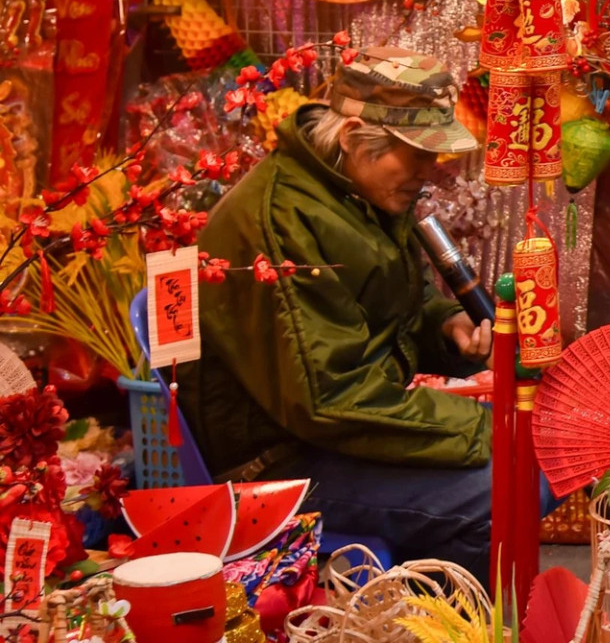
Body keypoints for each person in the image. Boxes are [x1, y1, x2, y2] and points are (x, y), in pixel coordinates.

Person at [178, 48, 498, 577]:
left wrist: (444, 325)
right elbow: (327, 399)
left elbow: (400, 302)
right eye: (415, 153)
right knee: (499, 488)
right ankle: (439, 625)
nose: (429, 170)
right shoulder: (282, 221)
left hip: (330, 429)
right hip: (275, 459)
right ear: (352, 138)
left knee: (523, 464)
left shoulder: (353, 188)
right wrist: (488, 430)